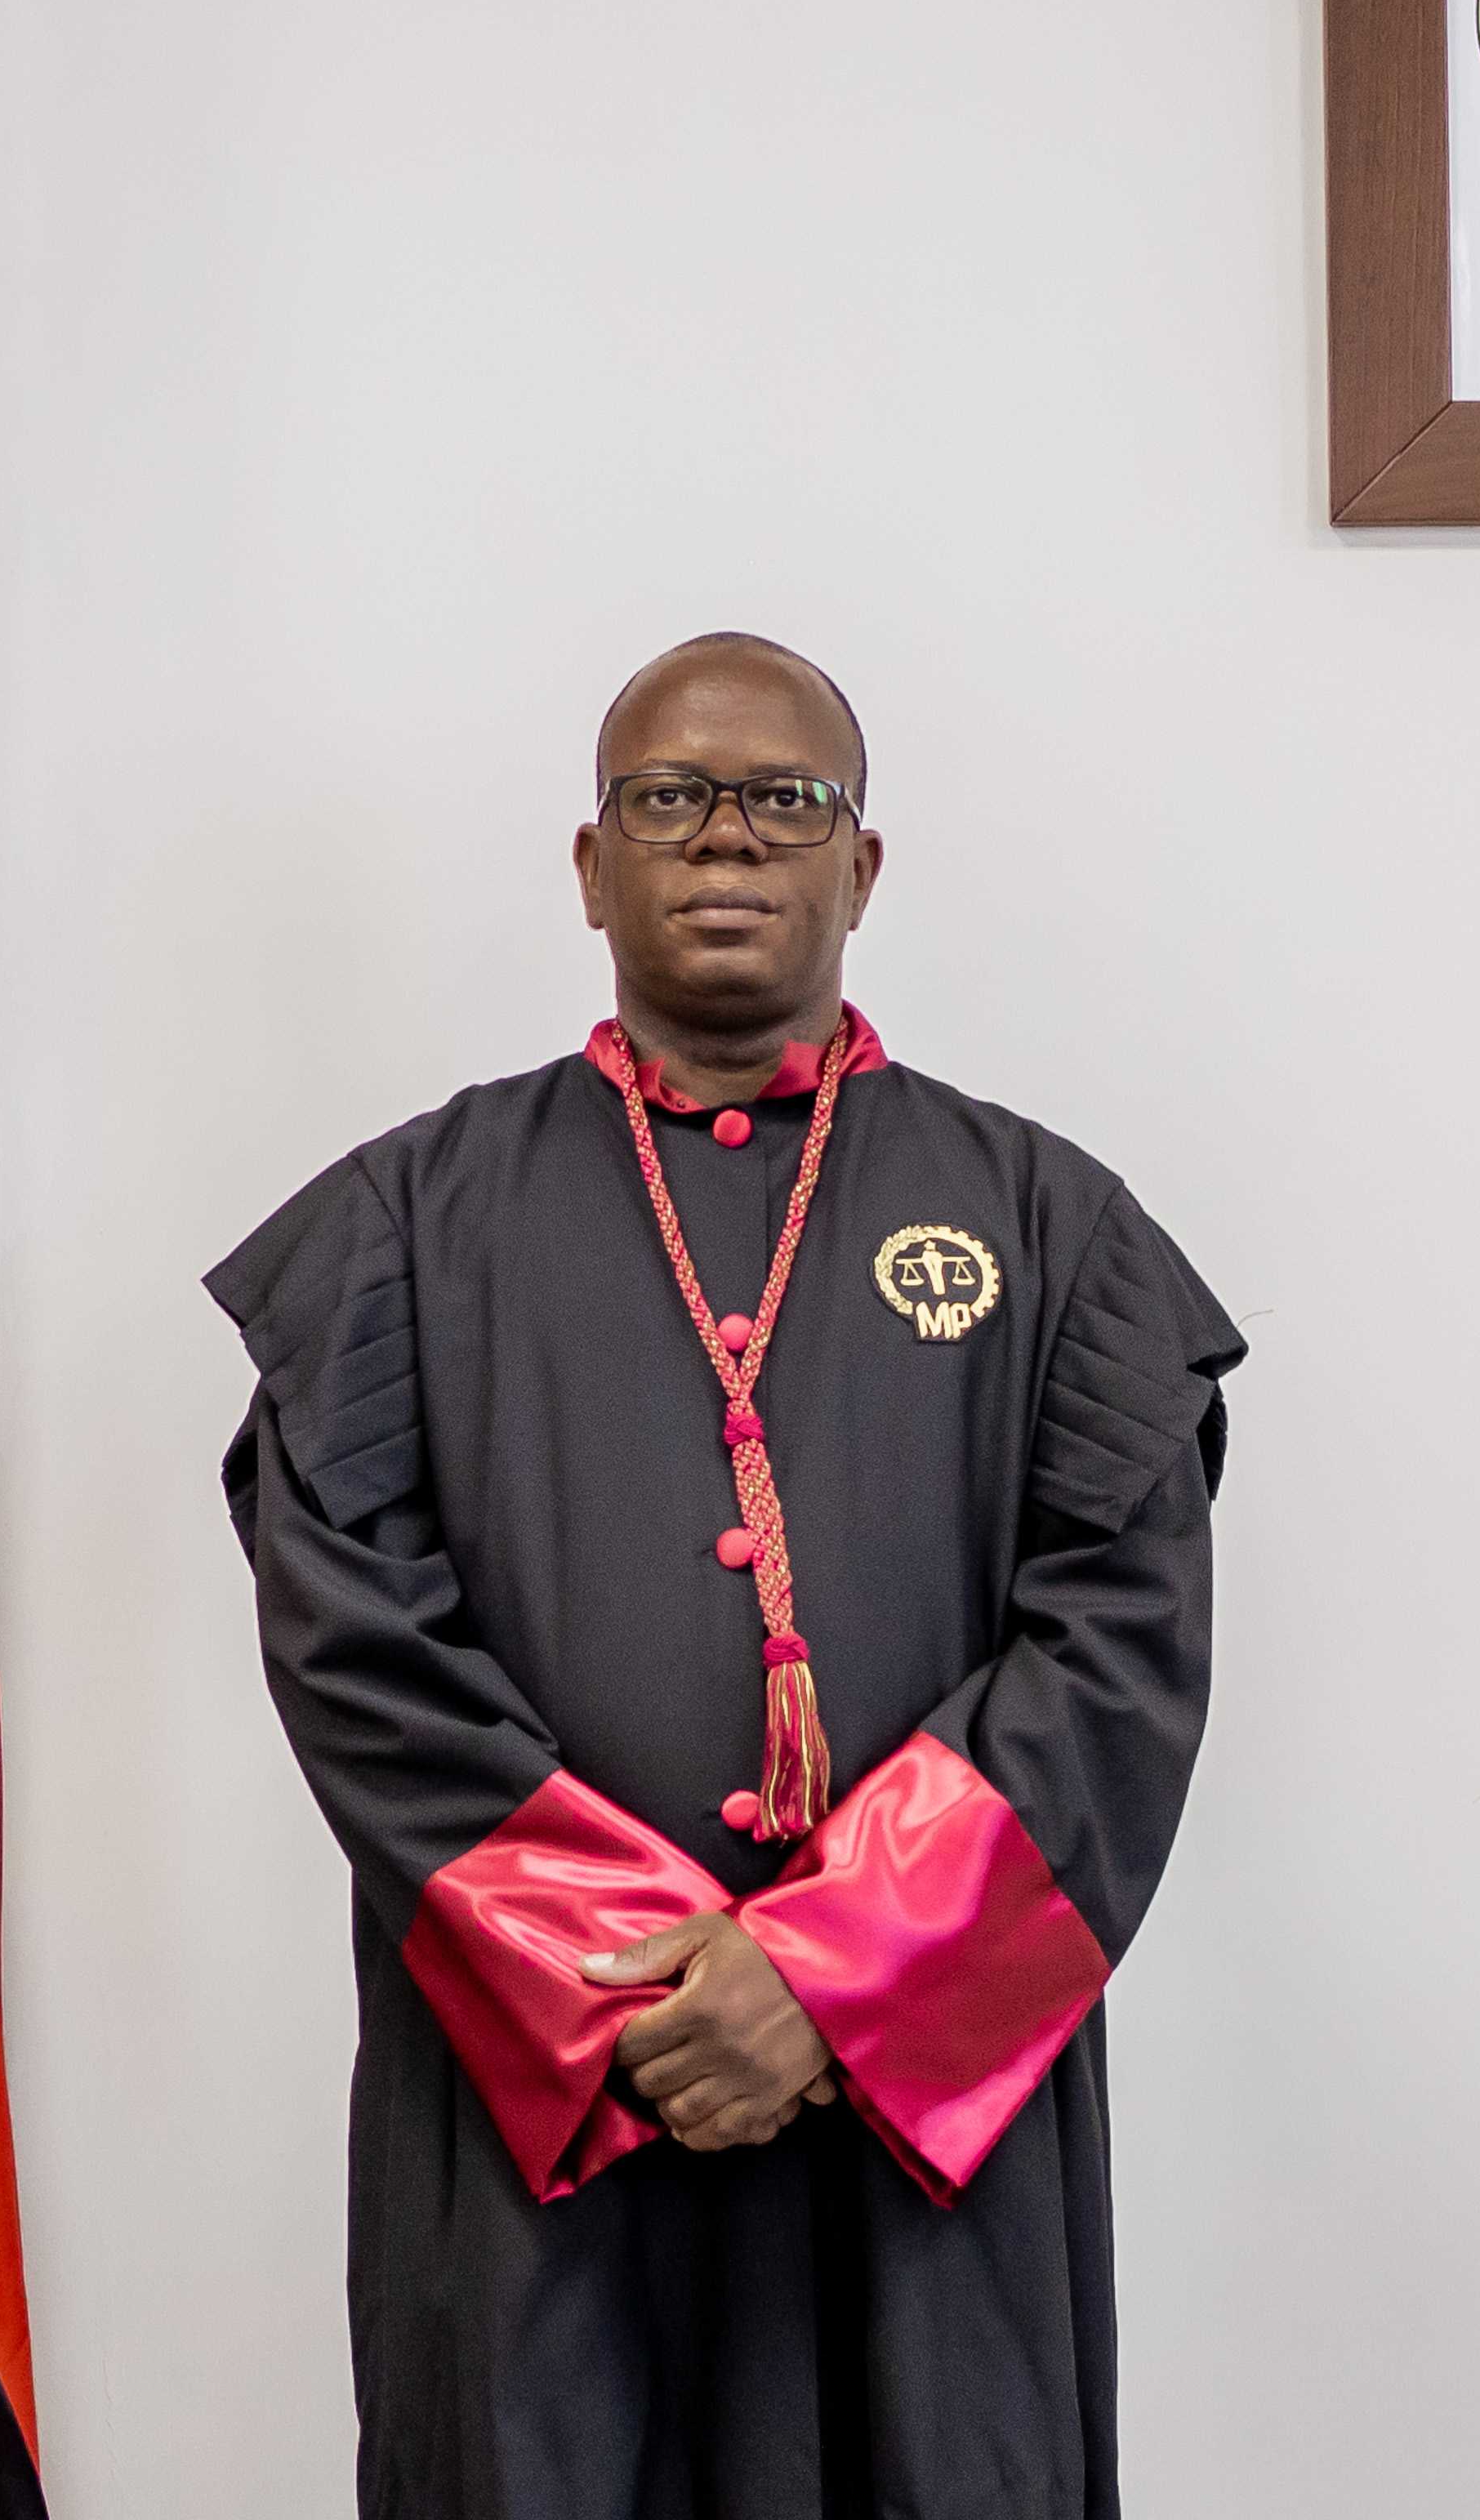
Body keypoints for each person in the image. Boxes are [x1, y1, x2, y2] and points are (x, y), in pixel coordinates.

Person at [207, 632, 1242, 2520]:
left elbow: (1119, 1646)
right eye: (668, 796)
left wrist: (832, 1978)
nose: (725, 834)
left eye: (784, 796)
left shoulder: (1049, 1227)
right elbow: (348, 1638)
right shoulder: (407, 1226)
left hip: (926, 2142)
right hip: (539, 2118)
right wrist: (633, 1985)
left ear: (861, 863)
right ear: (589, 865)